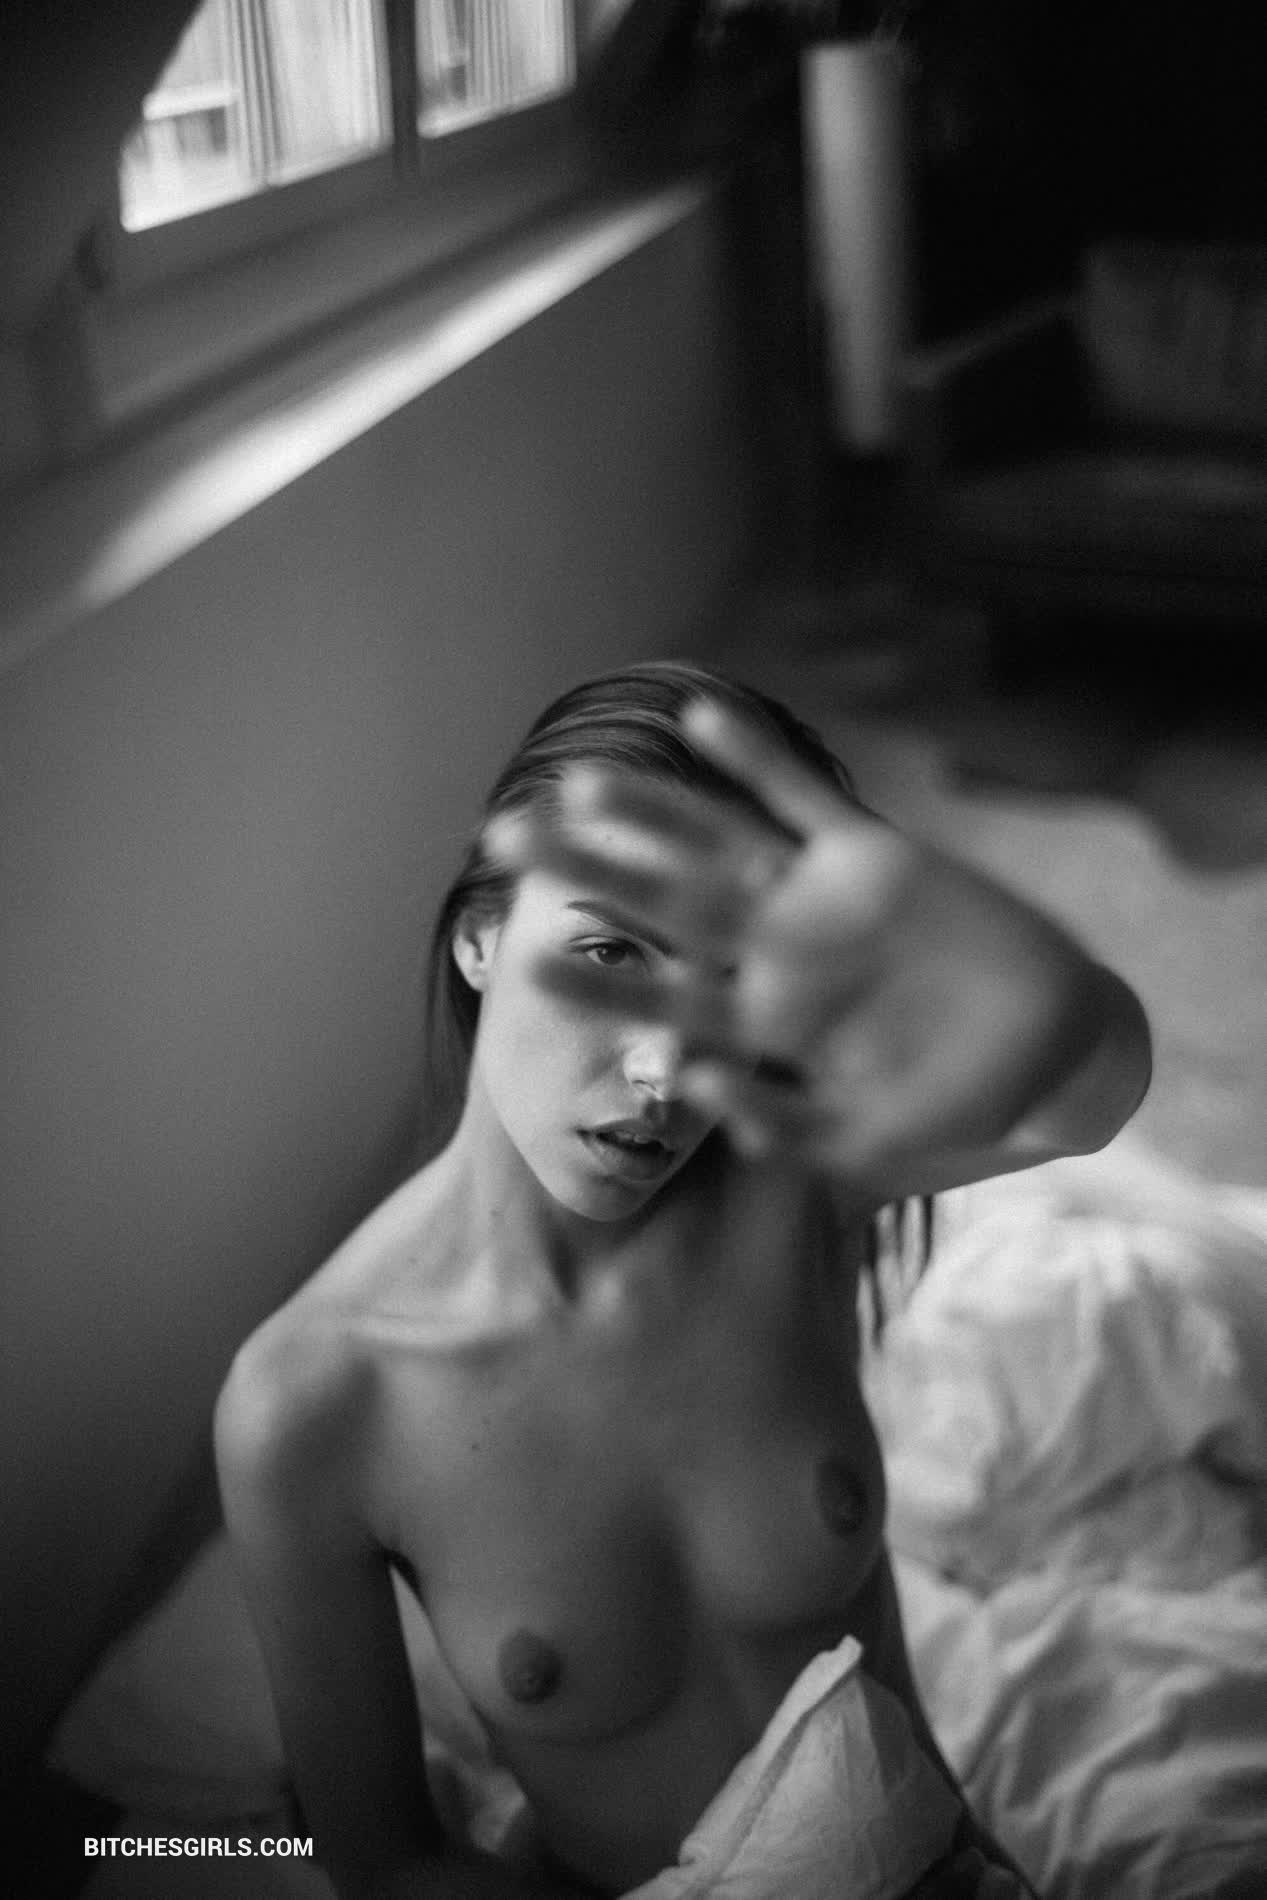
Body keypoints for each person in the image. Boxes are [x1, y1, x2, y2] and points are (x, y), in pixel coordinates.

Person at [215, 660, 1152, 1900]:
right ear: (481, 936)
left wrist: (1010, 966)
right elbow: (381, 1860)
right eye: (609, 952)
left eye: (729, 987)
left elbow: (1089, 1098)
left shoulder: (786, 1179)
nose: (665, 1070)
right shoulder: (310, 1405)